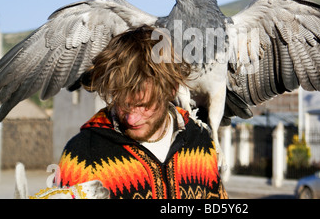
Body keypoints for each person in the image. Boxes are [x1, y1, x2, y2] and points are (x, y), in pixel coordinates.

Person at [56, 26, 228, 199]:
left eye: (143, 105)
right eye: (123, 104)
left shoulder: (201, 142)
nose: (131, 119)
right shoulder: (83, 155)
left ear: (172, 89)